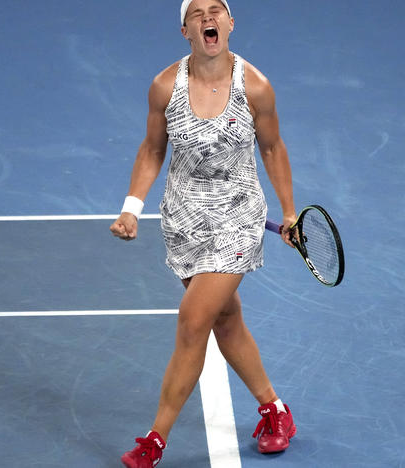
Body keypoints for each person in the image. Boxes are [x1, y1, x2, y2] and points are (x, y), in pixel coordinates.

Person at [110, 0, 298, 466]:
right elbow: (153, 150)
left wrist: (290, 212)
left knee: (193, 322)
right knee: (225, 321)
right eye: (197, 13)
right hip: (184, 221)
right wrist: (132, 207)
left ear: (230, 24)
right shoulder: (163, 87)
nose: (208, 17)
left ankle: (154, 440)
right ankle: (276, 411)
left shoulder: (255, 87)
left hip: (237, 219)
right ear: (185, 30)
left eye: (217, 10)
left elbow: (272, 149)